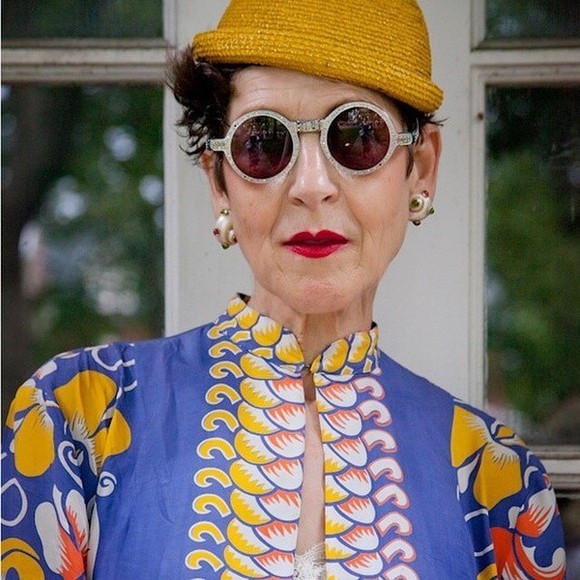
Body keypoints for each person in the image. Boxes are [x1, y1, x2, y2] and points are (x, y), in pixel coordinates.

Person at [1, 1, 567, 578]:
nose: (312, 186)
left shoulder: (498, 483)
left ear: (420, 168)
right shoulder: (78, 415)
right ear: (219, 182)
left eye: (357, 137)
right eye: (264, 144)